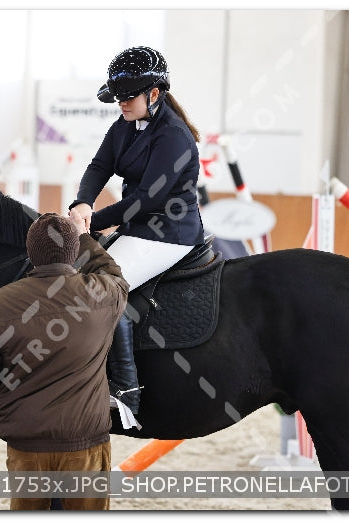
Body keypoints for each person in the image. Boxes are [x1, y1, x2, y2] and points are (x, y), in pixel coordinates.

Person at [68, 46, 205, 415]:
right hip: (137, 228)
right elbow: (99, 166)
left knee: (105, 289)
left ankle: (126, 390)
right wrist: (82, 203)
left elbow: (147, 197)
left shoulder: (174, 136)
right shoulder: (125, 125)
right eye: (118, 98)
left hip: (169, 233)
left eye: (127, 98)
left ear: (154, 94)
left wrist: (92, 222)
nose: (121, 104)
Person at [0, 212, 128, 511]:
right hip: (84, 442)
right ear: (73, 253)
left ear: (31, 253)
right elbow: (114, 274)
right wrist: (84, 236)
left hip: (27, 444)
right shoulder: (102, 294)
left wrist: (7, 389)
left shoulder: (1, 301)